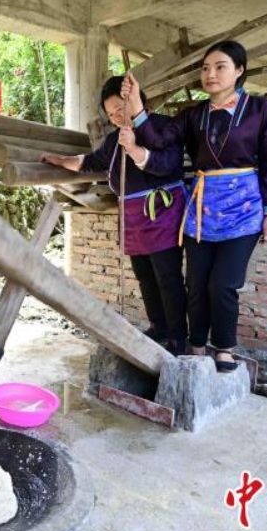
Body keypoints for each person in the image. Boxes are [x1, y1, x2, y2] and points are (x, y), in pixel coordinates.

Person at [121, 40, 267, 371]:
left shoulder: (259, 110)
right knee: (195, 284)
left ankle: (223, 347)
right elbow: (158, 140)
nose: (210, 74)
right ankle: (196, 345)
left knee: (223, 284)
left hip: (244, 209)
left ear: (239, 71)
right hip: (202, 210)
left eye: (220, 67)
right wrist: (136, 104)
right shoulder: (193, 116)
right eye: (205, 68)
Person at [42, 75, 189, 355]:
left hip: (163, 213)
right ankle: (158, 327)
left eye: (119, 110)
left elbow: (165, 165)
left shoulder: (163, 127)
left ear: (136, 98)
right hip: (135, 217)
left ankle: (178, 338)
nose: (116, 117)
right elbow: (91, 162)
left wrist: (134, 147)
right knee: (144, 275)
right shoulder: (113, 141)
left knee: (167, 276)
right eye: (111, 115)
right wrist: (60, 160)